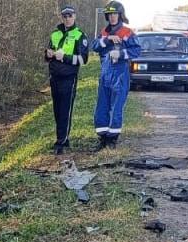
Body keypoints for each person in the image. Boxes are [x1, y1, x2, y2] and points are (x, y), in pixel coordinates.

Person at [92, 2, 140, 150]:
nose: (112, 17)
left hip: (120, 75)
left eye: (115, 14)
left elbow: (137, 51)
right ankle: (103, 137)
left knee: (116, 108)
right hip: (105, 74)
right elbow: (94, 46)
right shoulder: (104, 32)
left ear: (120, 14)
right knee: (102, 107)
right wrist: (107, 40)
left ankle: (112, 140)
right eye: (110, 14)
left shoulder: (127, 32)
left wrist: (120, 54)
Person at [46, 5, 90, 154]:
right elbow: (47, 54)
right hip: (54, 77)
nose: (67, 18)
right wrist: (48, 53)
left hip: (68, 78)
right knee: (57, 110)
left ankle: (61, 142)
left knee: (65, 110)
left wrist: (64, 57)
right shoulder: (55, 34)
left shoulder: (80, 35)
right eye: (64, 16)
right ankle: (63, 137)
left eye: (70, 16)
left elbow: (83, 59)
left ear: (75, 16)